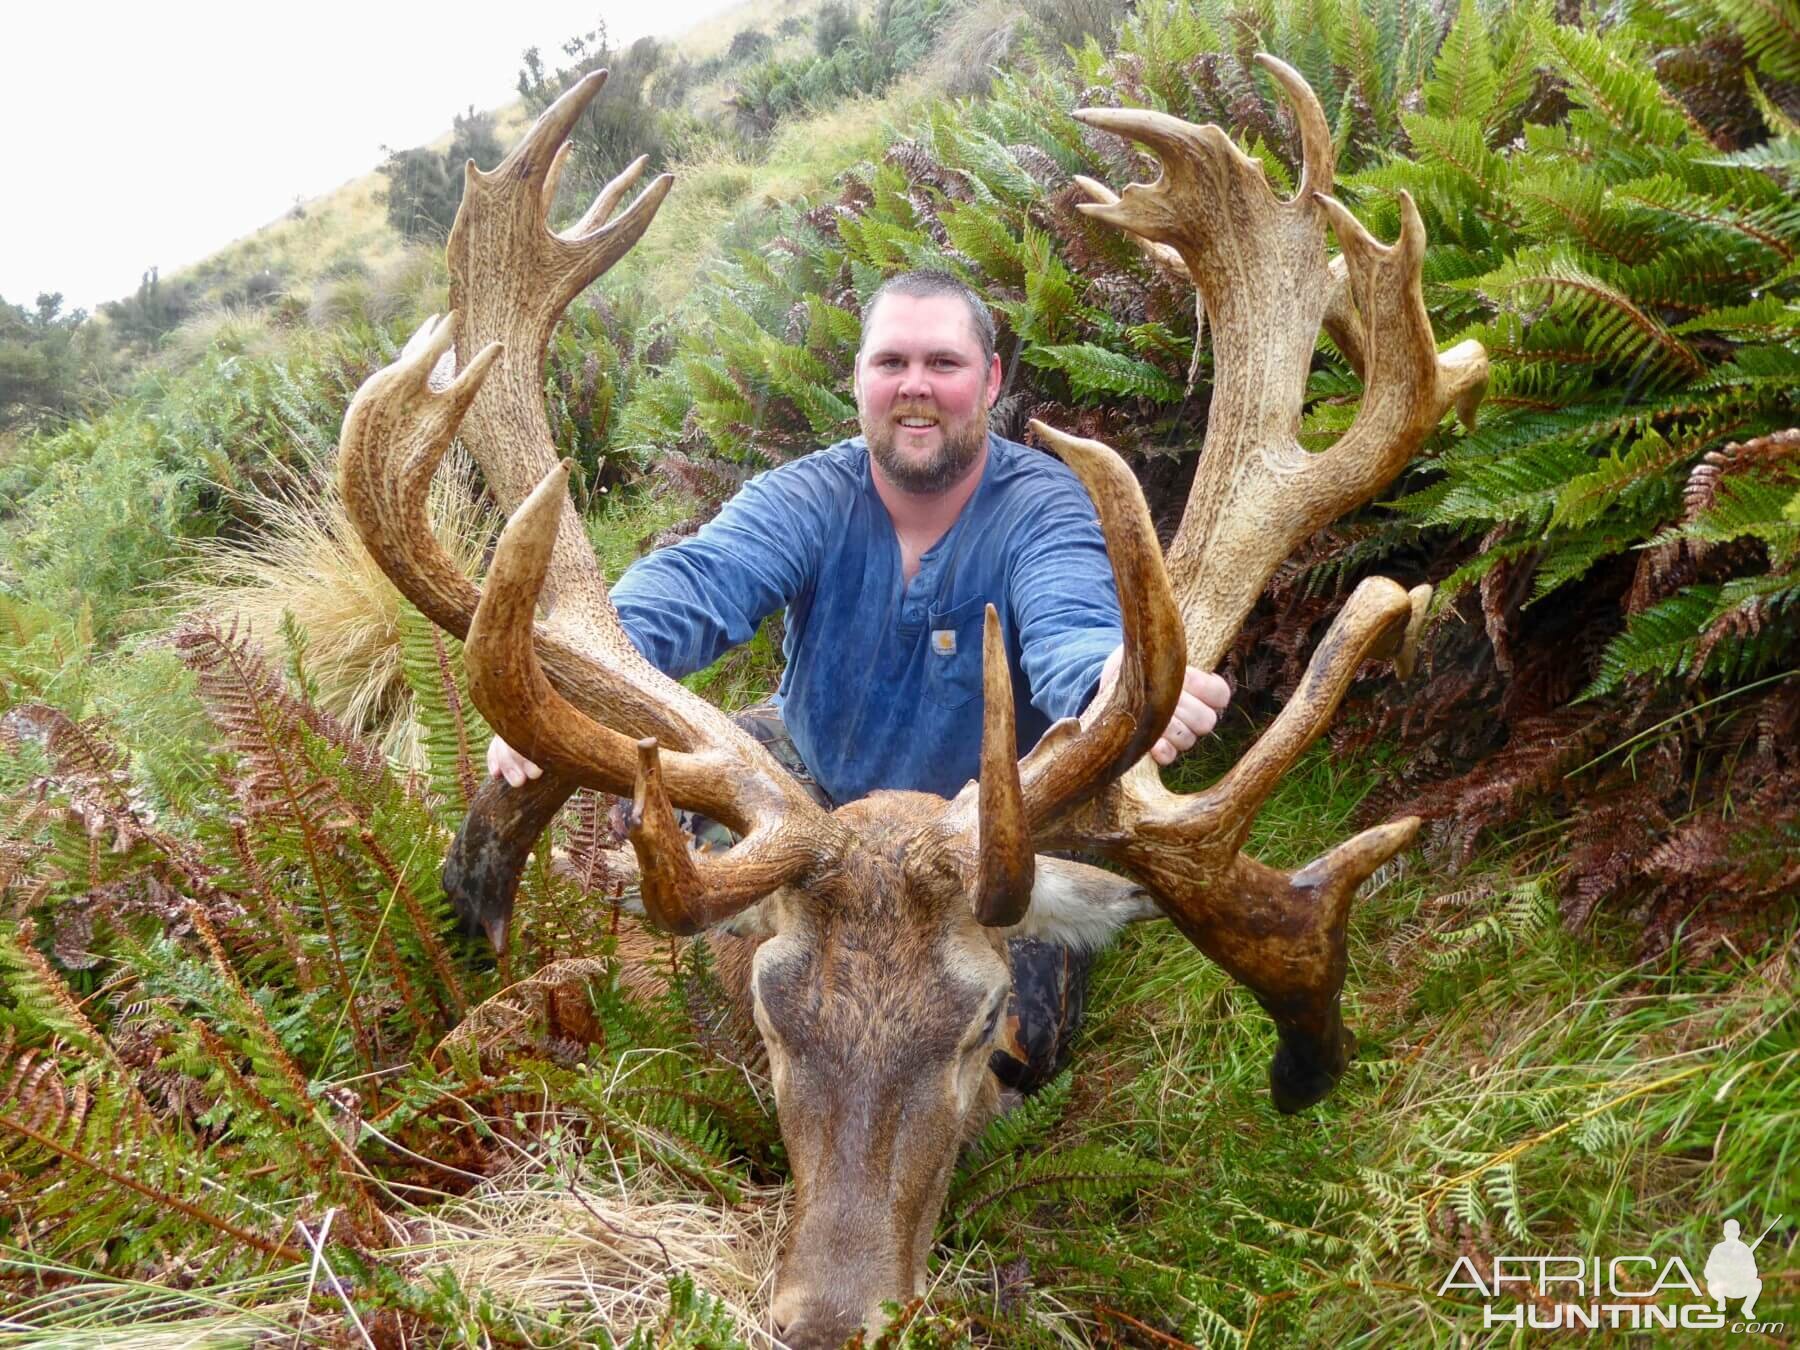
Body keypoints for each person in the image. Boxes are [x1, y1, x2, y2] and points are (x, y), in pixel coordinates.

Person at [488, 269, 1230, 1087]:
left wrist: (1109, 679)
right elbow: (697, 583)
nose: (917, 387)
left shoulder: (1043, 506)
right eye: (892, 363)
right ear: (859, 381)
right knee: (634, 838)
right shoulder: (810, 494)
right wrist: (564, 675)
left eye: (944, 364)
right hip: (804, 780)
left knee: (1019, 1048)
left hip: (976, 825)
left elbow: (1070, 625)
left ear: (989, 380)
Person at [1704, 1220, 1762, 1318]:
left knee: (1757, 1283)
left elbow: (1753, 1271)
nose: (1731, 1233)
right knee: (1712, 1283)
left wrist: (1741, 1274)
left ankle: (1747, 1308)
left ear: (1738, 1232)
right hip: (1722, 1287)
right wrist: (1722, 1273)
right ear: (1725, 1232)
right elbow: (1708, 1271)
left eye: (1734, 1231)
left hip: (1739, 1287)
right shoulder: (1718, 1249)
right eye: (1729, 1231)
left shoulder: (1744, 1249)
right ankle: (1721, 1301)